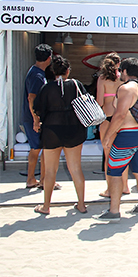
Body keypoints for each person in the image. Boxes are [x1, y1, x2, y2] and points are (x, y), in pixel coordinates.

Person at [97, 58, 138, 221]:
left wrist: (108, 136)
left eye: (121, 70)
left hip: (127, 135)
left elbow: (119, 115)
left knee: (114, 172)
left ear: (125, 71)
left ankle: (114, 210)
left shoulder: (126, 89)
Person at [32, 55, 87, 215]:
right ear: (68, 71)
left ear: (53, 71)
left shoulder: (47, 88)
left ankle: (46, 206)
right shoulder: (76, 85)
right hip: (74, 130)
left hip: (51, 131)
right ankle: (82, 205)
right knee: (76, 169)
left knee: (50, 171)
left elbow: (38, 109)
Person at [96, 52, 129, 197]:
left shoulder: (102, 79)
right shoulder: (123, 80)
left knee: (108, 153)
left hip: (107, 118)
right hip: (121, 118)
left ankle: (110, 189)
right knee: (122, 154)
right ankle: (125, 186)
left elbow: (99, 103)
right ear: (119, 64)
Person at [23, 43, 52, 189]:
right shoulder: (38, 75)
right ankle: (33, 179)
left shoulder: (34, 72)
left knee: (39, 148)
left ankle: (41, 179)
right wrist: (36, 119)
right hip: (34, 118)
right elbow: (31, 98)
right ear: (49, 58)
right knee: (37, 148)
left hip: (34, 117)